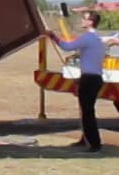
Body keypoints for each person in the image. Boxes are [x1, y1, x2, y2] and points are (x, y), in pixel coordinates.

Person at [48, 11, 114, 153]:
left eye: (84, 18)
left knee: (87, 112)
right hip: (95, 78)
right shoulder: (98, 39)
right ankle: (86, 139)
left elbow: (66, 47)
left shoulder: (88, 38)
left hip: (89, 79)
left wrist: (53, 36)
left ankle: (94, 144)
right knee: (87, 110)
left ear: (90, 22)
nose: (82, 21)